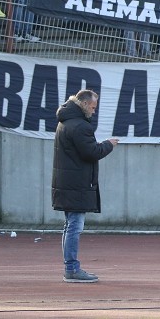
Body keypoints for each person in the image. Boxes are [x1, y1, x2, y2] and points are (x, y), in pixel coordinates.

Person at [52, 89, 119, 283]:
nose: (94, 110)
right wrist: (109, 144)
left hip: (67, 182)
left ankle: (70, 266)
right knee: (75, 226)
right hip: (76, 184)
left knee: (70, 225)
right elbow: (91, 152)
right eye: (92, 106)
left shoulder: (65, 122)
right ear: (83, 104)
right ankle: (71, 268)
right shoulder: (80, 126)